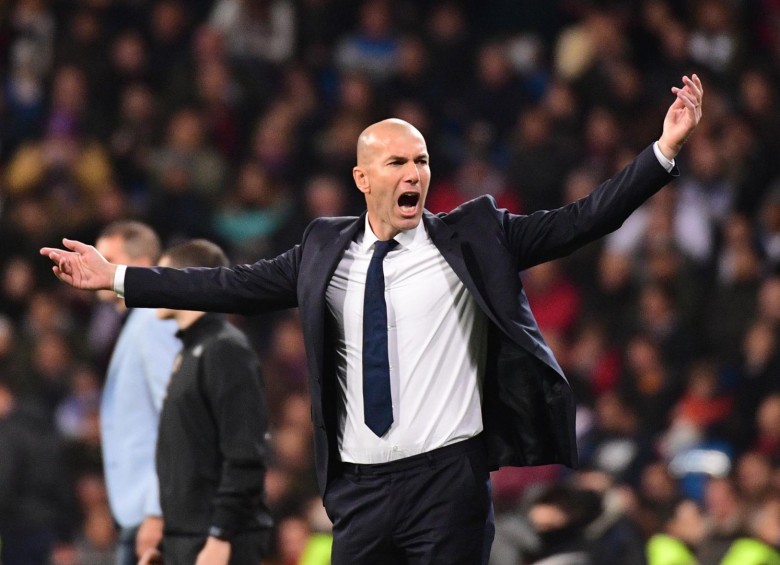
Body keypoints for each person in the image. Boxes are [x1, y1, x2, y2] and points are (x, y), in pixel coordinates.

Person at [41, 74, 704, 565]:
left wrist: (662, 152)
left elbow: (581, 220)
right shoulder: (323, 250)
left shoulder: (474, 235)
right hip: (359, 489)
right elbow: (230, 284)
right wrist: (120, 277)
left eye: (421, 160)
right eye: (398, 161)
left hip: (448, 483)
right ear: (363, 177)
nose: (415, 171)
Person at [137, 239, 272, 565]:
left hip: (219, 543)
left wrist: (220, 535)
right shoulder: (190, 351)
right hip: (189, 539)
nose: (156, 286)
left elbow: (245, 454)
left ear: (188, 279)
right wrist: (169, 545)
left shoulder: (225, 349)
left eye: (163, 275)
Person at [92, 221, 180, 565]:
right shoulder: (135, 322)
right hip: (136, 509)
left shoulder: (152, 322)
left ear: (141, 264)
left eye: (107, 258)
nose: (95, 266)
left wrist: (156, 510)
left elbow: (172, 414)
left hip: (151, 509)